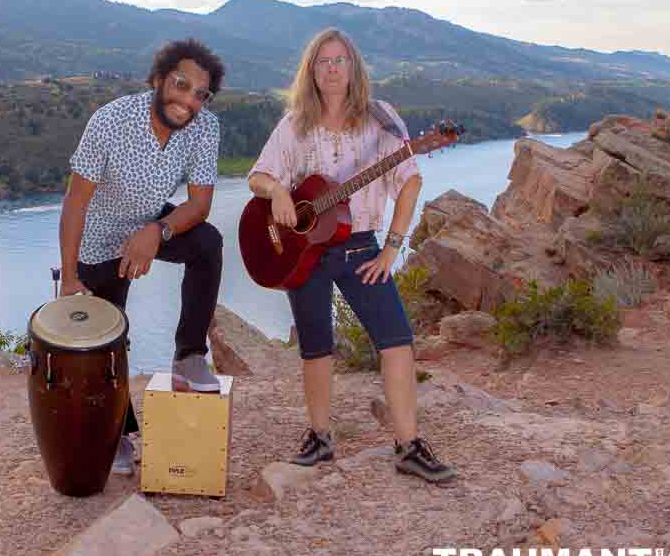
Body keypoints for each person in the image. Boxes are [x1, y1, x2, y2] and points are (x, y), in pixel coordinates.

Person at [246, 28, 455, 483]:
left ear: (354, 67)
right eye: (323, 61)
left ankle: (408, 446)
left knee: (397, 339)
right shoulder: (294, 124)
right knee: (317, 347)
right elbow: (257, 177)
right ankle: (319, 437)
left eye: (340, 60)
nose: (333, 68)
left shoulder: (382, 120)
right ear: (311, 71)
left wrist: (393, 248)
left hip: (361, 246)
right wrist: (278, 190)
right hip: (304, 252)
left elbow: (410, 182)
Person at [59, 38, 226, 476]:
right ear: (158, 79)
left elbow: (200, 205)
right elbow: (75, 202)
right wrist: (71, 275)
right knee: (105, 344)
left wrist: (157, 231)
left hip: (151, 224)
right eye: (180, 84)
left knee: (208, 244)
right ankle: (116, 434)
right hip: (99, 240)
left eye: (199, 93)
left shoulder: (205, 127)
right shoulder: (111, 120)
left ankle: (189, 355)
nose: (189, 99)